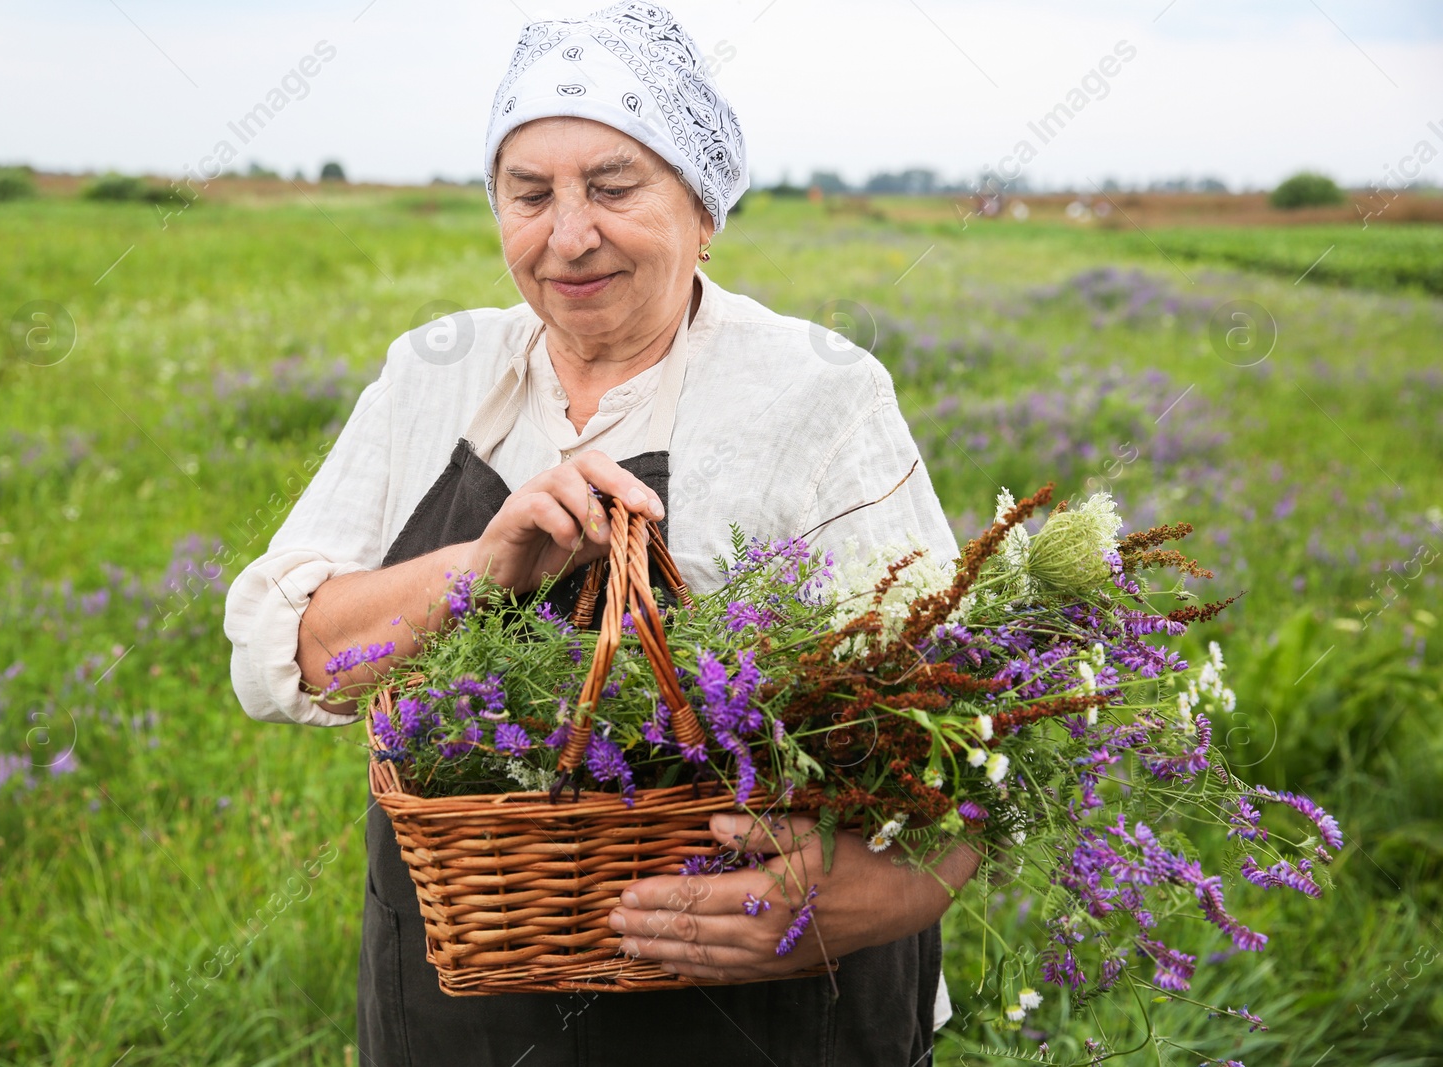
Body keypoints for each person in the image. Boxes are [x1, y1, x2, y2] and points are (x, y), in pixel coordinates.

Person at [223, 3, 979, 1063]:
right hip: (470, 1006)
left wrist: (864, 897)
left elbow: (966, 738)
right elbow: (287, 661)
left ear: (704, 209)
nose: (567, 235)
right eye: (529, 193)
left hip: (757, 1014)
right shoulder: (435, 374)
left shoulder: (817, 394)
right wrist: (480, 569)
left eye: (614, 187)